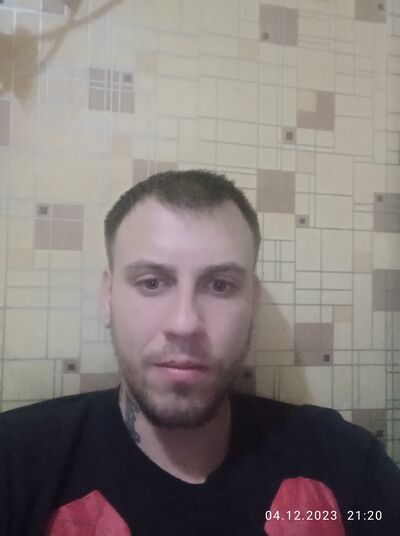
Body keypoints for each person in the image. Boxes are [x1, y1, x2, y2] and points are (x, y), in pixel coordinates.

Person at [0, 169, 399, 536]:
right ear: (107, 298)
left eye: (220, 285)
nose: (185, 324)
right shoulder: (16, 463)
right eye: (152, 282)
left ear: (253, 302)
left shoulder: (346, 462)